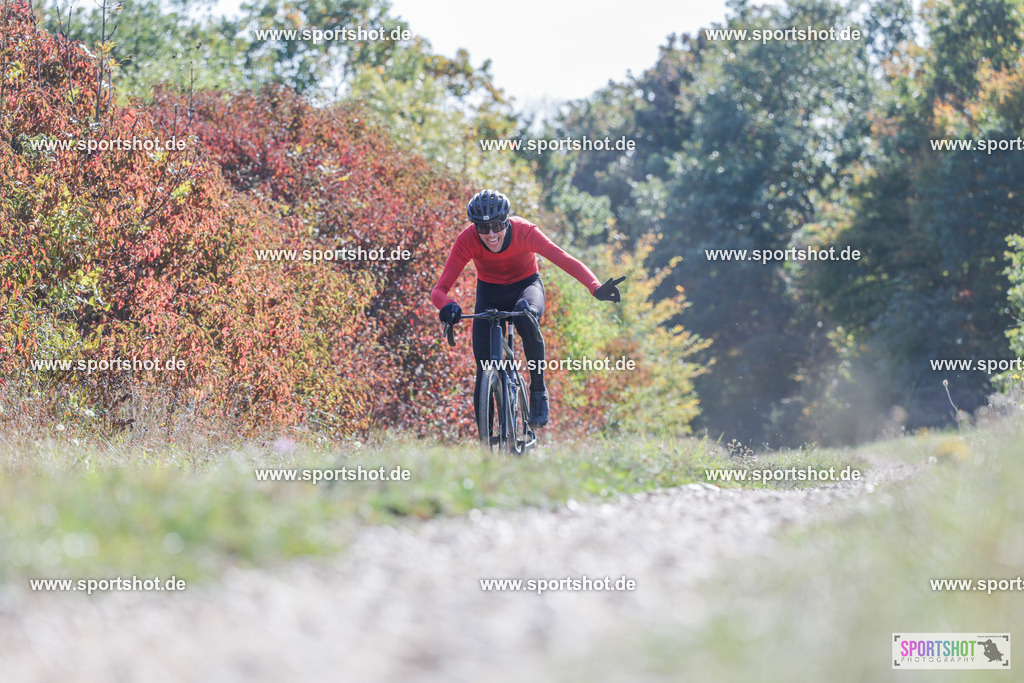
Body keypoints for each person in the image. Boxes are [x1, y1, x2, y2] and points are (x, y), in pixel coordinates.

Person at [430, 188, 625, 427]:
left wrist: (595, 287)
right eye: (482, 228)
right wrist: (448, 306)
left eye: (497, 225)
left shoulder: (525, 231)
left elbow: (563, 258)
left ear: (507, 221)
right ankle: (486, 442)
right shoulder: (467, 240)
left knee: (525, 316)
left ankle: (538, 389)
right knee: (484, 366)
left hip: (526, 286)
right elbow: (439, 290)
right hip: (489, 292)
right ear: (474, 228)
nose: (491, 234)